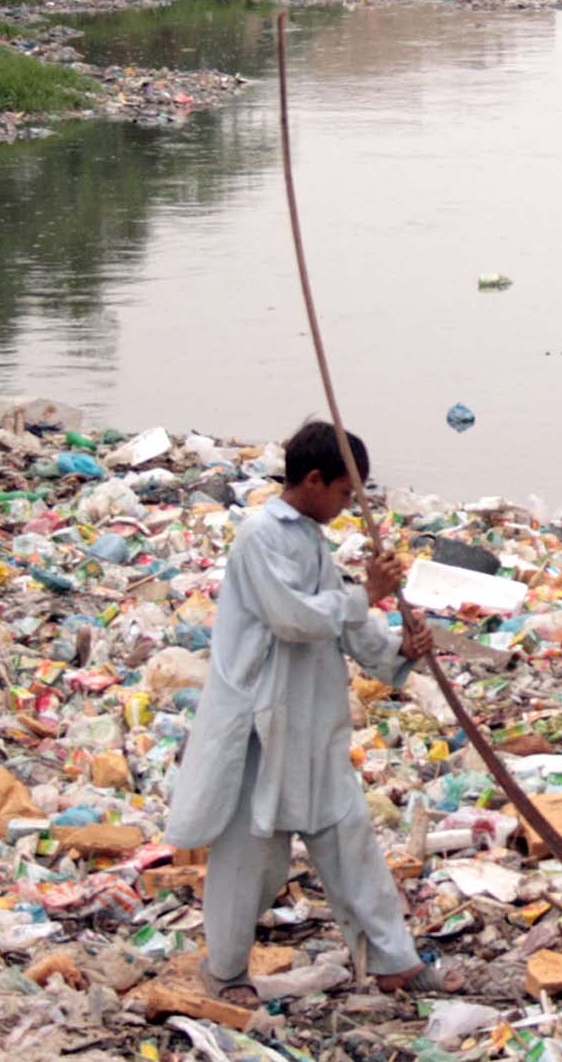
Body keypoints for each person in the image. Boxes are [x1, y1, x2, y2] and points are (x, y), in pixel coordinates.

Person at [163, 419, 439, 1005]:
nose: (347, 505)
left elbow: (342, 624)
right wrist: (367, 593)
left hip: (313, 726)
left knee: (351, 842)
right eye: (344, 492)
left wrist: (400, 651)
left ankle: (393, 961)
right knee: (250, 857)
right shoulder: (260, 536)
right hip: (263, 731)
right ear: (313, 480)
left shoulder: (310, 540)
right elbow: (296, 618)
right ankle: (226, 971)